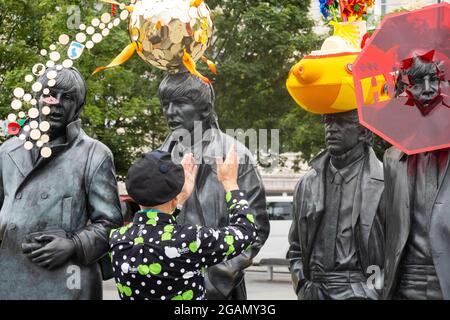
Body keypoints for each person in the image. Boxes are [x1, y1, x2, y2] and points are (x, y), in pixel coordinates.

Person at [0, 67, 123, 299]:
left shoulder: (95, 155)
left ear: (78, 106)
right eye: (49, 93)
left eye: (67, 97)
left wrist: (74, 245)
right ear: (37, 98)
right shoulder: (8, 150)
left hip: (66, 282)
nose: (56, 102)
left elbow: (110, 224)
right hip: (9, 274)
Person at [157, 71, 270, 300]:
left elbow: (255, 228)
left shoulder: (235, 156)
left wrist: (213, 282)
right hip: (165, 286)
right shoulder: (156, 160)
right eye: (165, 104)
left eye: (179, 104)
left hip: (220, 293)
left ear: (205, 108)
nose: (170, 112)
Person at [109, 145, 258, 300]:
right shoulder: (191, 239)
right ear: (173, 198)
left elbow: (157, 230)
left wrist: (176, 201)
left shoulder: (117, 239)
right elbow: (246, 231)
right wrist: (229, 183)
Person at [288, 109, 385, 300]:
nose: (331, 129)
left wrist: (372, 292)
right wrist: (302, 285)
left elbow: (397, 251)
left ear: (364, 132)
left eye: (341, 122)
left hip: (362, 290)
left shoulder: (386, 181)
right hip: (314, 291)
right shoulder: (307, 183)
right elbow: (295, 247)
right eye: (327, 121)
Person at [383, 54, 450, 300]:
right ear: (404, 90)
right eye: (418, 82)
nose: (428, 89)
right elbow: (387, 229)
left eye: (435, 79)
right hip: (404, 285)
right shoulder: (392, 159)